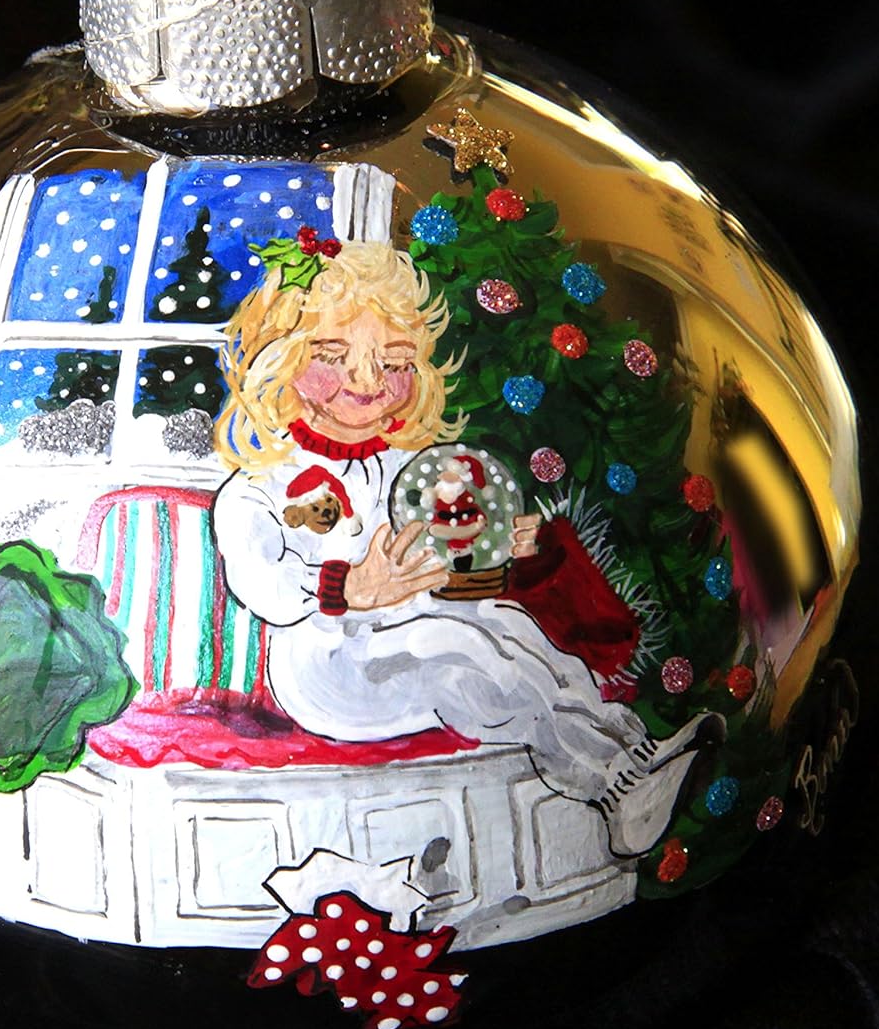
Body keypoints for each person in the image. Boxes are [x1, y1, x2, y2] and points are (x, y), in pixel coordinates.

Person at [210, 235, 709, 856]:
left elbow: (448, 547)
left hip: (426, 619)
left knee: (515, 631)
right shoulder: (260, 486)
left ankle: (635, 754)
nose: (366, 382)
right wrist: (347, 588)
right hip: (330, 667)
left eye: (391, 362)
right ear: (279, 360)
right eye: (333, 356)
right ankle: (611, 787)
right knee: (454, 645)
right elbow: (262, 582)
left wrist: (496, 545)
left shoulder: (408, 462)